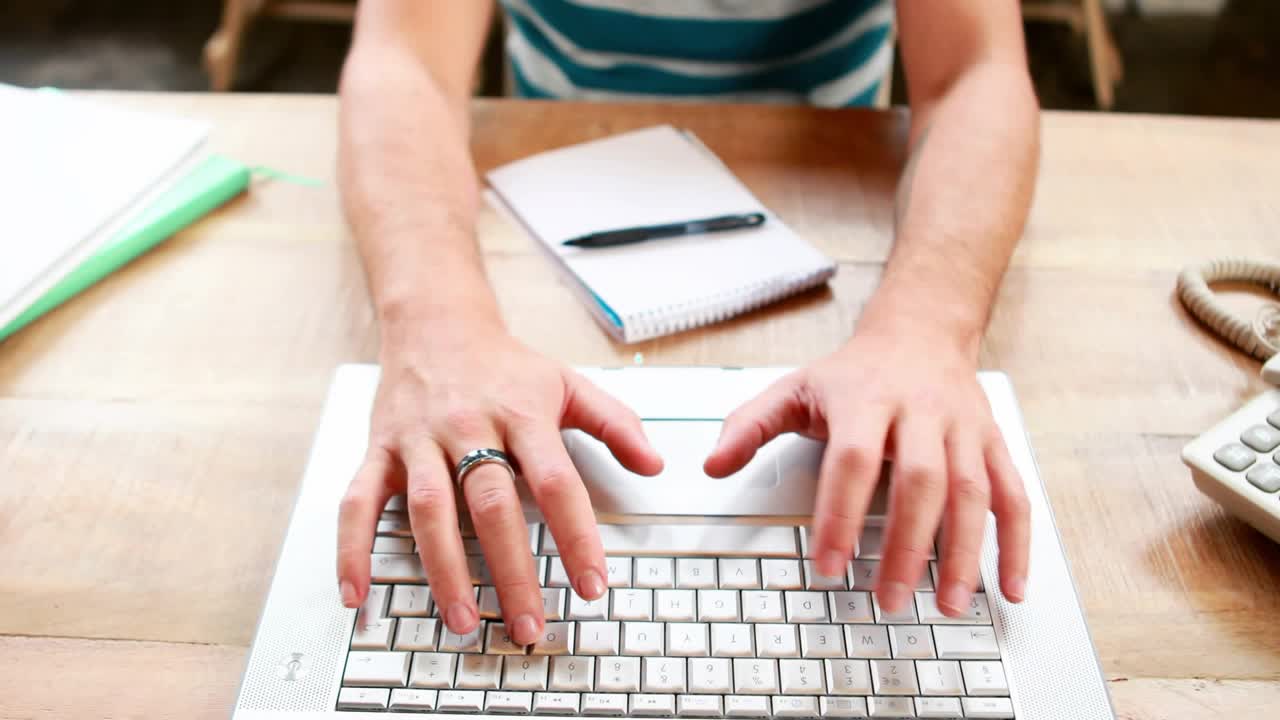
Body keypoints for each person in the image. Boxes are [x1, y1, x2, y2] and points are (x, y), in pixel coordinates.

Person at [335, 0, 1037, 647]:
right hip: (553, 163)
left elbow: (976, 71)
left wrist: (927, 328)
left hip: (831, 170)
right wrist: (434, 325)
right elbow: (405, 61)